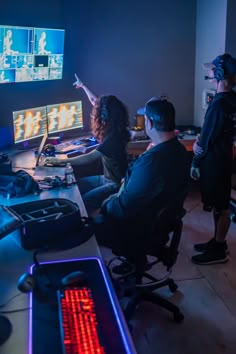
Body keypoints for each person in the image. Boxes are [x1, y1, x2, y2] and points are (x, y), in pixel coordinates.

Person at [93, 97, 189, 260]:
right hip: (158, 222)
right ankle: (135, 261)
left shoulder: (151, 162)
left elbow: (124, 207)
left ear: (149, 123)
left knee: (89, 225)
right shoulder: (179, 150)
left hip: (138, 228)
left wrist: (107, 204)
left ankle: (129, 262)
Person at [45, 75, 130, 215]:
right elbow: (95, 102)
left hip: (114, 184)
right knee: (72, 186)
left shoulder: (114, 137)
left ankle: (88, 227)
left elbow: (89, 158)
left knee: (82, 202)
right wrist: (83, 86)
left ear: (104, 116)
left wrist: (60, 161)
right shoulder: (116, 126)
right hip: (105, 178)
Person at [191, 53, 236, 265]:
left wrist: (194, 161)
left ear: (219, 73)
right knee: (221, 204)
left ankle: (218, 250)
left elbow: (204, 141)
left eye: (212, 69)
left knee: (222, 206)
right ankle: (218, 241)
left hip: (215, 163)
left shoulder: (218, 105)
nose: (209, 72)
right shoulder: (231, 100)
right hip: (224, 160)